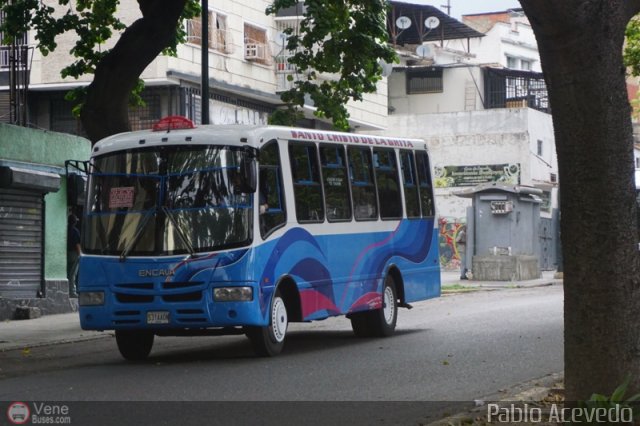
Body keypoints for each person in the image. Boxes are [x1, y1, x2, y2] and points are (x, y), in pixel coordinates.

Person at [67, 213, 81, 298]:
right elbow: (77, 244)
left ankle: (68, 290)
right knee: (73, 274)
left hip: (67, 254)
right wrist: (80, 255)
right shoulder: (75, 231)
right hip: (74, 254)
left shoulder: (66, 229)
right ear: (75, 222)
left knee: (68, 272)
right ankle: (72, 292)